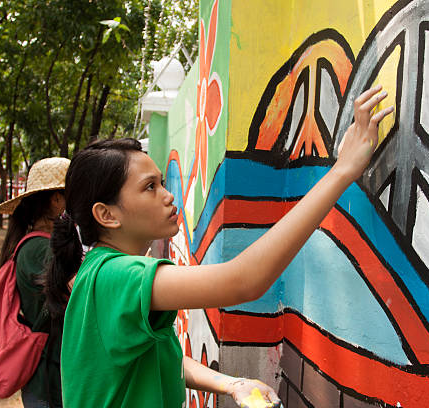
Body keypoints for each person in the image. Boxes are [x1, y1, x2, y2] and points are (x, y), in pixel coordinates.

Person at [45, 85, 393, 407]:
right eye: (150, 187)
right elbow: (243, 281)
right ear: (107, 215)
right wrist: (341, 172)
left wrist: (231, 384)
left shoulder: (99, 272)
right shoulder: (117, 275)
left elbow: (161, 352)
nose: (168, 196)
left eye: (162, 182)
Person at [0, 157, 70, 408]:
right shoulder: (39, 248)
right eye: (71, 195)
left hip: (49, 372)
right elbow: (77, 291)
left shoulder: (39, 244)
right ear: (56, 199)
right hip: (47, 376)